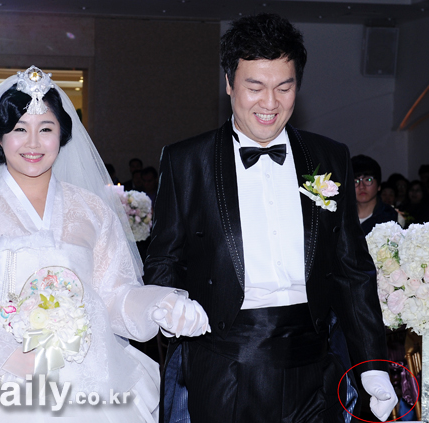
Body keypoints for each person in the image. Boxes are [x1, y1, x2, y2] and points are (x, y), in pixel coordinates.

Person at [0, 66, 209, 422]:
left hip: (84, 384)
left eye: (45, 129)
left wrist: (158, 304)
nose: (33, 143)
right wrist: (7, 356)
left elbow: (114, 296)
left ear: (62, 135)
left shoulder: (92, 211)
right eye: (19, 129)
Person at [144, 14, 396, 423]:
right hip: (224, 363)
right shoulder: (187, 161)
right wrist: (167, 306)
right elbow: (163, 258)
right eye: (255, 87)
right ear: (229, 83)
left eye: (284, 87)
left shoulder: (329, 157)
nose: (270, 103)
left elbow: (352, 269)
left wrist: (372, 365)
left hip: (315, 363)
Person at [351, 154, 398, 235]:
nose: (361, 186)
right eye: (355, 181)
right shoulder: (342, 216)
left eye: (368, 180)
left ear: (379, 186)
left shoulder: (391, 217)